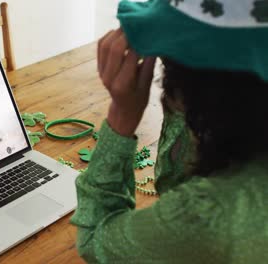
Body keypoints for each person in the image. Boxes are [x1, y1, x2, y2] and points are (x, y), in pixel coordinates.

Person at [70, 0, 268, 263]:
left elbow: (95, 240)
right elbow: (175, 180)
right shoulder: (245, 128)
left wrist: (122, 115)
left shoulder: (210, 213)